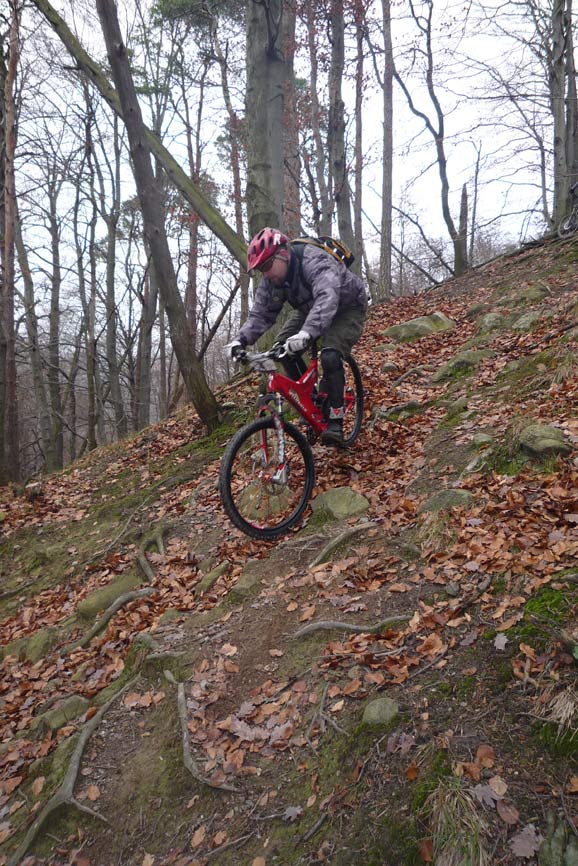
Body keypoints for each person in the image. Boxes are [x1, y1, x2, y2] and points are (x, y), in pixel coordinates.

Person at [225, 227, 368, 446]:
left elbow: (327, 295)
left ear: (283, 254)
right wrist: (239, 340)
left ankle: (336, 419)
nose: (265, 274)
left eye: (267, 265)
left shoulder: (313, 259)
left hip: (347, 306)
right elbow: (260, 315)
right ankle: (312, 401)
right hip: (309, 309)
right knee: (281, 350)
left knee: (330, 356)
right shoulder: (271, 281)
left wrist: (306, 333)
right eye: (261, 269)